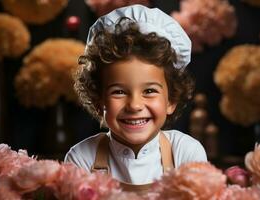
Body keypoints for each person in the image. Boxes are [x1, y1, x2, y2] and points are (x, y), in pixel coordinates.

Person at [64, 4, 207, 193]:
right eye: (119, 92)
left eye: (149, 91)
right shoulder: (82, 157)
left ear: (171, 100)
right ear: (99, 101)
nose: (134, 105)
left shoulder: (185, 152)